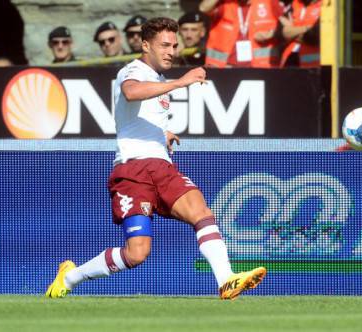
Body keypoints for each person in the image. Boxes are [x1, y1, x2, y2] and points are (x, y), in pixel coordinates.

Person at [45, 17, 266, 300]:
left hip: (161, 167)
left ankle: (226, 280)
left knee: (201, 212)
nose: (171, 51)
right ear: (145, 44)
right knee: (138, 253)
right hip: (133, 170)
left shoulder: (158, 79)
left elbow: (138, 115)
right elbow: (131, 91)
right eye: (164, 45)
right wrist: (181, 82)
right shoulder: (132, 70)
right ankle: (71, 276)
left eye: (174, 45)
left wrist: (163, 133)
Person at [200, 0, 283, 68]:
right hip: (225, 67)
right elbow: (203, 8)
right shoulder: (226, 4)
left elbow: (288, 27)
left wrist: (272, 34)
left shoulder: (268, 2)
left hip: (261, 67)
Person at [279, 0, 321, 67]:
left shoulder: (326, 6)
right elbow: (281, 33)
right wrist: (307, 28)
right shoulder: (294, 4)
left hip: (313, 68)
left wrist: (292, 30)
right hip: (288, 63)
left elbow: (315, 37)